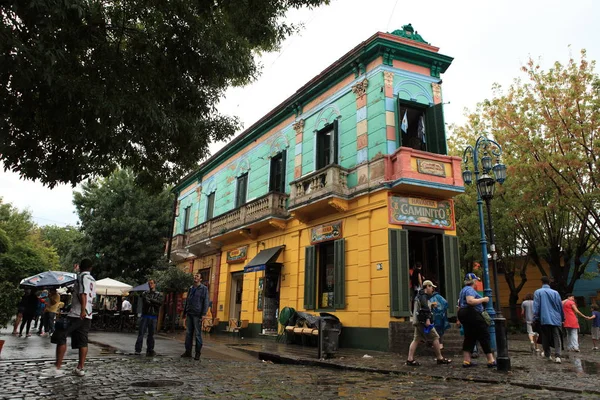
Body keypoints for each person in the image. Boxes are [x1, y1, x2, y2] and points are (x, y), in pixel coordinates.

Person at [47, 258, 96, 377]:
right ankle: (80, 367)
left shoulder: (80, 277)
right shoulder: (93, 280)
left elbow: (82, 294)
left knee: (61, 335)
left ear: (80, 267)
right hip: (88, 314)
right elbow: (91, 297)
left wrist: (82, 309)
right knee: (83, 341)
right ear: (90, 268)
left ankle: (57, 367)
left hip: (77, 313)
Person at [405, 280, 451, 366]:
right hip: (423, 321)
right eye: (431, 287)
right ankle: (440, 358)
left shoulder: (420, 295)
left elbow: (422, 307)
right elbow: (424, 309)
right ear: (427, 287)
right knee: (435, 337)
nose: (432, 289)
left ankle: (410, 359)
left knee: (416, 339)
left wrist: (431, 305)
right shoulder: (423, 296)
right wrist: (427, 320)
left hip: (417, 321)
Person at [457, 273, 496, 368]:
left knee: (469, 336)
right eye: (476, 281)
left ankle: (466, 361)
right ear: (473, 281)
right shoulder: (470, 290)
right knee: (484, 334)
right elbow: (470, 301)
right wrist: (484, 299)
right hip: (472, 314)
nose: (477, 283)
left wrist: (458, 319)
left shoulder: (463, 290)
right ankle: (491, 360)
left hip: (463, 313)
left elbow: (459, 305)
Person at [533, 276, 564, 364]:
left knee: (545, 337)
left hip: (544, 318)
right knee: (556, 336)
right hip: (556, 318)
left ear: (541, 282)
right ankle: (558, 356)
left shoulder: (538, 292)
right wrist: (562, 317)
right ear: (549, 283)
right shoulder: (555, 293)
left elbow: (536, 306)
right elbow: (559, 306)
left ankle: (548, 355)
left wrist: (535, 317)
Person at [182, 272, 209, 361]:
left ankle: (197, 353)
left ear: (200, 279)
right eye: (194, 276)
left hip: (198, 314)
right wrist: (184, 313)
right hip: (189, 313)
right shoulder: (191, 288)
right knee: (188, 333)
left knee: (197, 334)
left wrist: (204, 314)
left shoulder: (204, 289)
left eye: (197, 276)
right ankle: (188, 352)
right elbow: (187, 301)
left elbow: (206, 301)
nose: (195, 277)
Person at [134, 280, 163, 356]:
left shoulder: (158, 294)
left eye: (152, 283)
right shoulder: (145, 293)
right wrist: (154, 302)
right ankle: (138, 349)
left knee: (151, 334)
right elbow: (146, 302)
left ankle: (150, 349)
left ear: (155, 284)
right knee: (141, 333)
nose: (150, 285)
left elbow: (159, 303)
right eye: (149, 283)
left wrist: (152, 301)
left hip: (153, 316)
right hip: (145, 315)